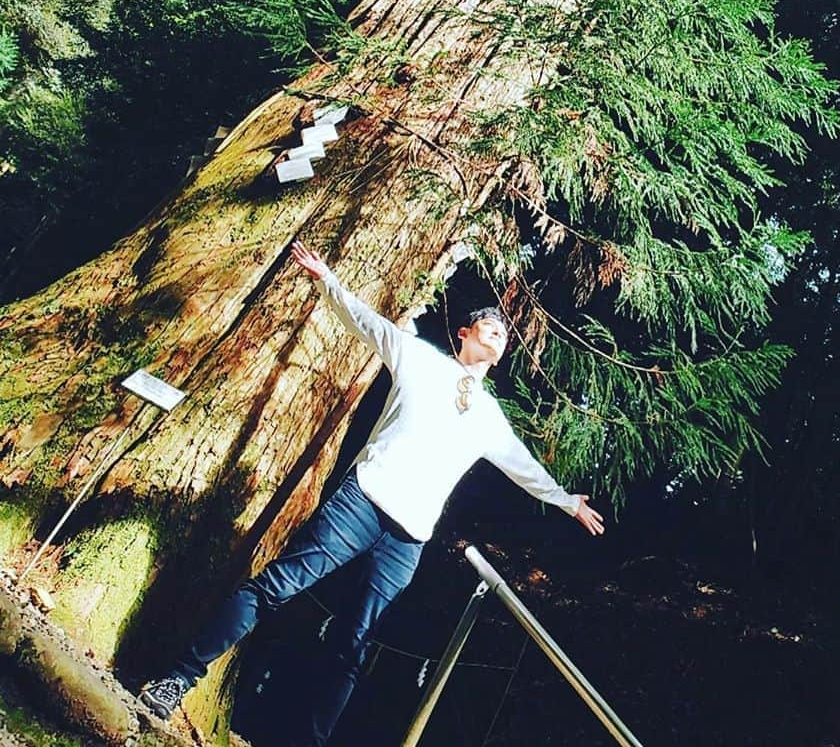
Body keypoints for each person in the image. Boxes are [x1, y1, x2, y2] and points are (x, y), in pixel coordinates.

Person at [139, 239, 604, 743]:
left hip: (408, 538)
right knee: (277, 586)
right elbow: (367, 322)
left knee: (354, 643)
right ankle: (177, 679)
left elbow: (523, 466)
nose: (498, 334)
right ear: (464, 335)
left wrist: (566, 500)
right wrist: (328, 281)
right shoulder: (419, 359)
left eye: (503, 333)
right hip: (362, 502)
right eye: (488, 327)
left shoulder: (491, 419)